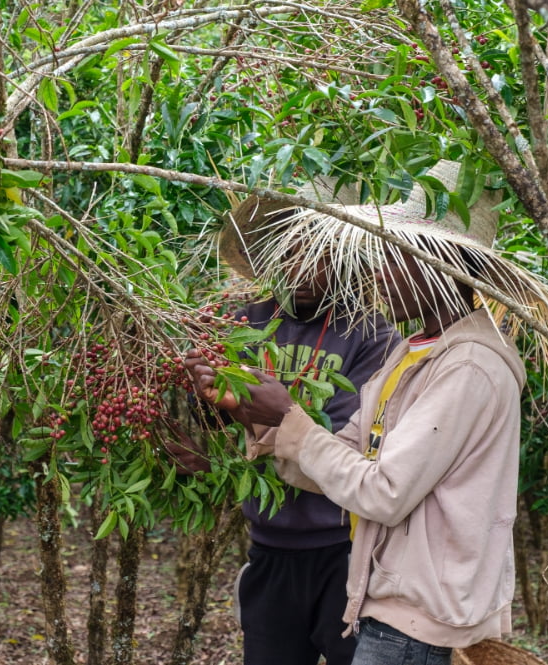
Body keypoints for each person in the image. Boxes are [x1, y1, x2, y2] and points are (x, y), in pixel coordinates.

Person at [184, 160, 548, 664]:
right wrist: (258, 416)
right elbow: (347, 451)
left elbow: (385, 492)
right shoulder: (416, 351)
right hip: (383, 599)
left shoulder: (469, 368)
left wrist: (288, 415)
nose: (375, 272)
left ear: (437, 265)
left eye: (391, 255)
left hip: (415, 616)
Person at [170, 178, 399, 665]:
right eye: (288, 250)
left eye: (316, 252)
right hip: (268, 548)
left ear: (341, 255)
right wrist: (206, 405)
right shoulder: (241, 319)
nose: (302, 267)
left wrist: (254, 408)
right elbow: (226, 434)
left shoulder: (371, 335)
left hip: (345, 550)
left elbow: (346, 443)